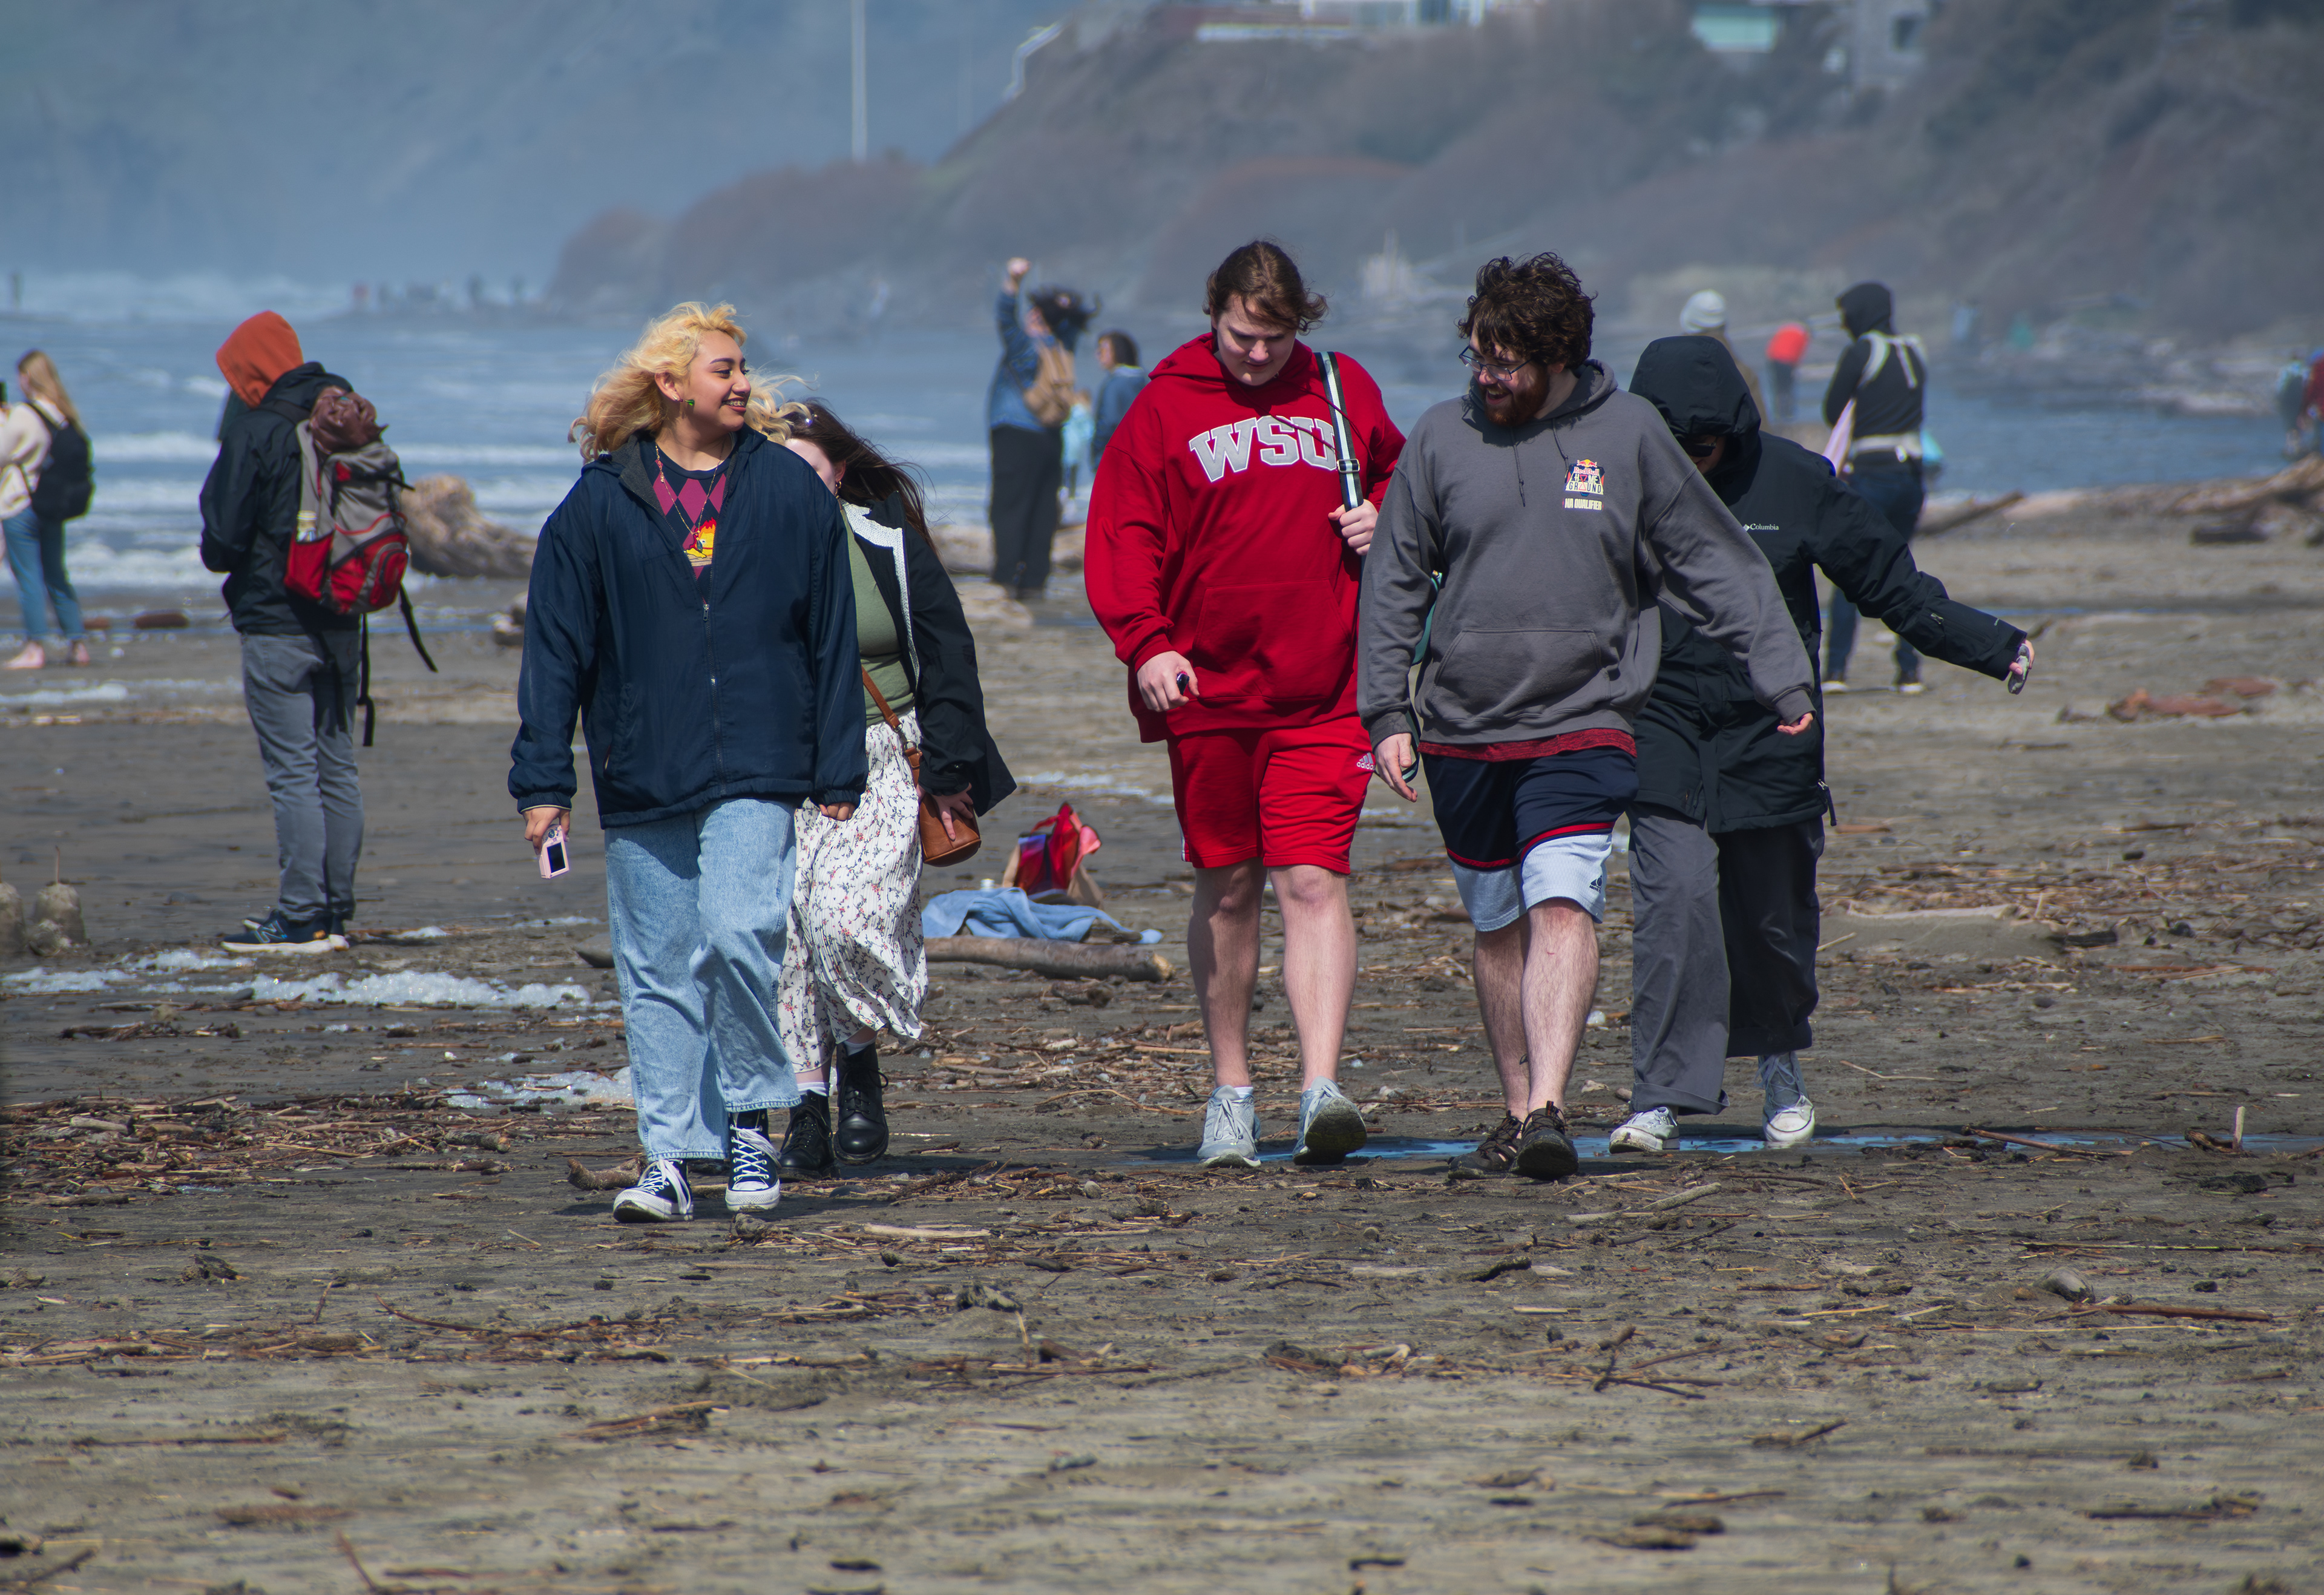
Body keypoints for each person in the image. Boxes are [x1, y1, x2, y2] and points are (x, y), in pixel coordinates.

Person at [1359, 254, 1817, 1182]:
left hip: (1586, 715)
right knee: (1497, 921)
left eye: (1506, 362)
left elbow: (1712, 559)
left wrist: (1784, 675)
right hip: (1463, 724)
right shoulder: (1440, 438)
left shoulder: (1630, 432)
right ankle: (1519, 1103)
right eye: (1476, 356)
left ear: (1560, 354)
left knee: (1561, 897)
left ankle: (1550, 1106)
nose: (1486, 377)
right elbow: (1396, 580)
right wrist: (1385, 710)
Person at [1613, 335, 2034, 1154]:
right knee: (1676, 908)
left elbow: (1889, 584)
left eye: (1707, 445)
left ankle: (1779, 1063)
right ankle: (1662, 1091)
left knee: (1773, 923)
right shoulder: (1618, 480)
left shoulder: (1794, 479)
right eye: (1678, 444)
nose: (1694, 459)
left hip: (1772, 727)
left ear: (1733, 426)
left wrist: (1991, 643)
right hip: (1659, 720)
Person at [510, 303, 865, 1223]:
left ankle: (752, 1122)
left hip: (759, 759)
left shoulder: (790, 494)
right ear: (670, 385)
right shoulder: (599, 502)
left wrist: (837, 769)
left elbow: (832, 637)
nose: (743, 382)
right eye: (723, 368)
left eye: (744, 367)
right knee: (659, 964)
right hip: (640, 764)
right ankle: (669, 1156)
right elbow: (556, 649)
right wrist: (545, 781)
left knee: (740, 934)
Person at [1087, 240, 1403, 1169]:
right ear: (1211, 313)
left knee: (1313, 880)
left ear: (1299, 324)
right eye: (1240, 335)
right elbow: (1124, 531)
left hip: (1324, 685)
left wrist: (1383, 512)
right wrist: (1146, 643)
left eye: (1273, 338)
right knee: (1229, 886)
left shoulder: (1341, 388)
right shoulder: (1165, 403)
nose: (1257, 355)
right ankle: (1231, 1093)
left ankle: (1320, 1090)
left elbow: (1407, 482)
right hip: (1209, 687)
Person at [772, 401, 1015, 1174]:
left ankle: (861, 1061)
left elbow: (948, 651)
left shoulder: (884, 538)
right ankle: (810, 1106)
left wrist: (948, 771)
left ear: (839, 473)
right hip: (783, 762)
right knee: (788, 938)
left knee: (841, 918)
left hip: (884, 754)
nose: (797, 487)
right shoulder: (746, 545)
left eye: (810, 471)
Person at [200, 314, 370, 952]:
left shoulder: (258, 429)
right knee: (336, 767)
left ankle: (301, 916)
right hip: (344, 619)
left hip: (277, 622)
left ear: (250, 373)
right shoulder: (344, 417)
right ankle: (334, 909)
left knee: (294, 773)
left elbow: (221, 542)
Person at [1820, 281, 1930, 694]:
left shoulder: (1863, 350)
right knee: (1902, 569)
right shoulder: (1915, 349)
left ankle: (1835, 671)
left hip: (1873, 473)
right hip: (1912, 475)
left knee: (1852, 568)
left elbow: (1833, 408)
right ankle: (1909, 670)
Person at [985, 258, 1093, 600]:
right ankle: (1034, 580)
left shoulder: (1026, 350)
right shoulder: (1065, 347)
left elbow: (1005, 319)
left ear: (1038, 318)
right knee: (1043, 508)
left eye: (1035, 314)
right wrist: (1064, 306)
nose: (1030, 317)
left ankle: (1005, 578)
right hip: (1051, 437)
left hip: (1015, 433)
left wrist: (1013, 281)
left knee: (1009, 506)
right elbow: (1076, 321)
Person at [2, 352, 91, 670]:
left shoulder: (24, 414)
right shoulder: (63, 413)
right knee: (56, 574)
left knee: (28, 577)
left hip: (21, 504)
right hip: (52, 504)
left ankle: (35, 646)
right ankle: (77, 643)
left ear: (28, 378)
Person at [1678, 291, 1767, 425]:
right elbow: (1761, 430)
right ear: (1724, 325)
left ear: (1687, 323)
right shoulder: (1743, 373)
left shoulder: (1667, 367)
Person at [1091, 330, 1147, 466]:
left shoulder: (1115, 384)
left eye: (1103, 350)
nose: (1098, 355)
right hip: (1140, 455)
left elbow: (1110, 421)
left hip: (1114, 458)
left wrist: (1097, 452)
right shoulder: (1144, 381)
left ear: (1118, 351)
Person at [1764, 321, 1810, 424]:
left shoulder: (1784, 329)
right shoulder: (1803, 336)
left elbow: (1772, 345)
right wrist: (1795, 368)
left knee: (1777, 388)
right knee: (1787, 388)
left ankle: (1777, 414)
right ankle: (1788, 414)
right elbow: (1799, 354)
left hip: (1774, 359)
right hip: (1787, 361)